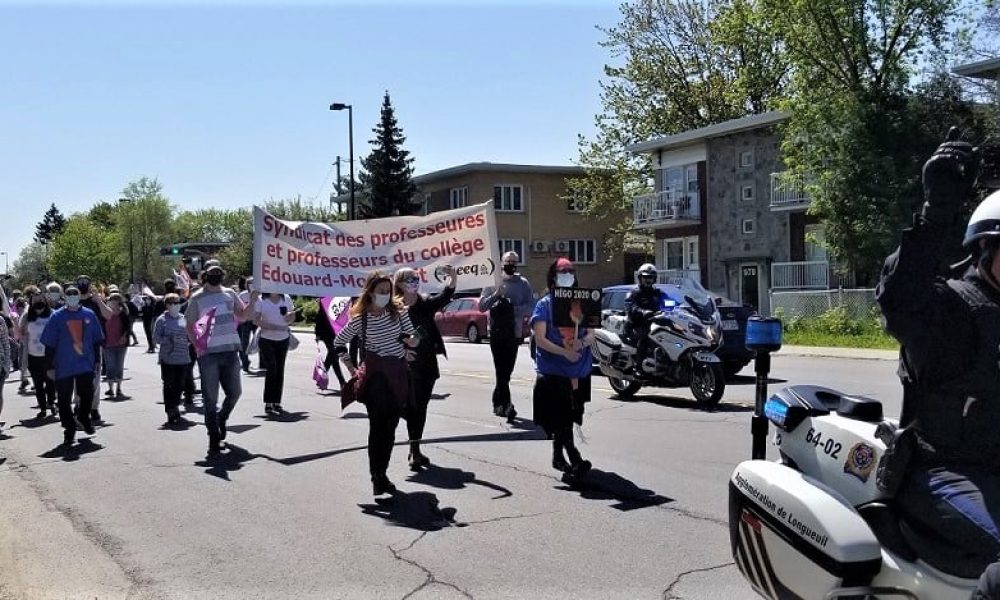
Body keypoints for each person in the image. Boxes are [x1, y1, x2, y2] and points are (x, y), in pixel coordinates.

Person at [876, 129, 1000, 597]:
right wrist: (936, 213)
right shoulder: (950, 309)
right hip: (944, 471)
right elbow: (900, 298)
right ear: (985, 251)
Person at [334, 271, 418, 496]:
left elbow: (414, 337)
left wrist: (411, 342)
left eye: (387, 291)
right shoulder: (360, 319)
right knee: (377, 427)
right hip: (376, 379)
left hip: (397, 375)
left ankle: (382, 472)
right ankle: (377, 476)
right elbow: (339, 342)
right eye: (380, 291)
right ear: (369, 292)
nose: (384, 295)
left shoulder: (399, 313)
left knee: (389, 429)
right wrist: (351, 368)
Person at [530, 257, 594, 478]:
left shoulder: (582, 302)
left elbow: (591, 333)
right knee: (562, 418)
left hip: (579, 371)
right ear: (554, 276)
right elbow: (540, 339)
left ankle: (558, 457)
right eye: (563, 271)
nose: (568, 274)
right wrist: (564, 351)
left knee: (570, 416)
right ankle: (574, 458)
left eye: (571, 271)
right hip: (554, 371)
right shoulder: (544, 304)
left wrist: (582, 343)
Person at [184, 263, 257, 454]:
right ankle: (213, 437)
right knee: (210, 399)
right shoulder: (197, 298)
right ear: (205, 276)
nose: (215, 275)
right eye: (212, 273)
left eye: (218, 272)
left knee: (235, 393)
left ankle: (221, 418)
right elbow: (190, 325)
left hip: (230, 351)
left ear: (222, 275)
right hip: (208, 355)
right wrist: (197, 346)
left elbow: (243, 316)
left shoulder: (230, 294)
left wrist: (254, 300)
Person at [393, 265, 457, 470]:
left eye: (415, 278)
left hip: (426, 364)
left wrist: (452, 278)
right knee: (407, 407)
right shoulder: (394, 308)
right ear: (400, 284)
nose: (414, 281)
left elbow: (445, 297)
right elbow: (386, 333)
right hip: (403, 364)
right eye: (409, 279)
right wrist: (404, 344)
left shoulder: (424, 303)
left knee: (420, 408)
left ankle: (415, 449)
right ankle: (412, 446)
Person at [40, 285, 105, 447]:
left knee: (87, 394)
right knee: (63, 400)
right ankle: (69, 430)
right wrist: (49, 366)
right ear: (65, 297)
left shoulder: (89, 314)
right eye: (69, 294)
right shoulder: (56, 317)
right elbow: (49, 344)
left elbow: (97, 340)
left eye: (74, 294)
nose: (72, 297)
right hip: (64, 364)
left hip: (85, 363)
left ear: (79, 296)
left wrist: (97, 360)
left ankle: (84, 417)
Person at [479, 251, 534, 422]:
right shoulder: (492, 282)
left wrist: (514, 309)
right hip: (496, 332)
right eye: (508, 261)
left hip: (514, 332)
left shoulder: (522, 283)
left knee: (506, 372)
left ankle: (498, 403)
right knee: (500, 369)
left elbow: (531, 306)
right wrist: (496, 294)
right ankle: (507, 405)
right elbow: (481, 306)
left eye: (514, 261)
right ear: (501, 263)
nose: (511, 264)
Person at [252, 291, 296, 415]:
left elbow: (292, 317)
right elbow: (255, 320)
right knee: (272, 369)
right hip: (266, 339)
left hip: (283, 338)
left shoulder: (286, 297)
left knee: (280, 369)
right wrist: (269, 326)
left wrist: (290, 317)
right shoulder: (261, 299)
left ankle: (277, 401)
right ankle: (268, 402)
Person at [153, 293, 191, 425]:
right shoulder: (162, 320)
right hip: (168, 359)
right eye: (172, 303)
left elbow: (190, 334)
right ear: (167, 305)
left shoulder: (183, 318)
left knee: (180, 385)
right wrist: (168, 339)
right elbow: (156, 338)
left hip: (183, 357)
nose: (175, 305)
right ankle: (170, 409)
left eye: (177, 302)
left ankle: (175, 405)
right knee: (169, 384)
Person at [625, 263, 668, 373]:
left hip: (654, 323)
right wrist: (643, 312)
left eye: (650, 277)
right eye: (645, 277)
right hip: (636, 324)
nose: (648, 280)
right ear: (640, 278)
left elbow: (670, 302)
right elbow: (630, 307)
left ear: (654, 279)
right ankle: (639, 368)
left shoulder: (657, 292)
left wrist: (680, 307)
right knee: (645, 338)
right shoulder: (634, 292)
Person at [21, 288, 56, 418]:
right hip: (33, 356)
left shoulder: (52, 314)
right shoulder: (27, 316)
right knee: (38, 384)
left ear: (45, 301)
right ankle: (42, 408)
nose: (39, 301)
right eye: (35, 299)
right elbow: (20, 331)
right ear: (31, 301)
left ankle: (51, 403)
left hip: (48, 356)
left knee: (50, 382)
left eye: (41, 299)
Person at [314, 296, 348, 391]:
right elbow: (319, 317)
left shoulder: (337, 300)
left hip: (336, 333)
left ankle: (321, 376)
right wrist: (317, 334)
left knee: (332, 357)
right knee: (333, 356)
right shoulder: (326, 300)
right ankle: (342, 382)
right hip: (326, 334)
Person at [101, 292, 131, 399]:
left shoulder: (123, 314)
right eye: (111, 300)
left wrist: (124, 336)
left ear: (119, 302)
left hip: (121, 344)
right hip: (108, 344)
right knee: (110, 367)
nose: (113, 303)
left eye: (115, 300)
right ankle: (110, 388)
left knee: (119, 366)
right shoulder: (104, 314)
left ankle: (118, 388)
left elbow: (128, 327)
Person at [236, 277, 258, 373]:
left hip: (257, 321)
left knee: (260, 342)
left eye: (253, 283)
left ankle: (264, 363)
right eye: (249, 283)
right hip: (245, 322)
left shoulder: (260, 295)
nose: (251, 285)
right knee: (244, 343)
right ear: (246, 285)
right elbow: (238, 309)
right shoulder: (242, 295)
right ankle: (245, 362)